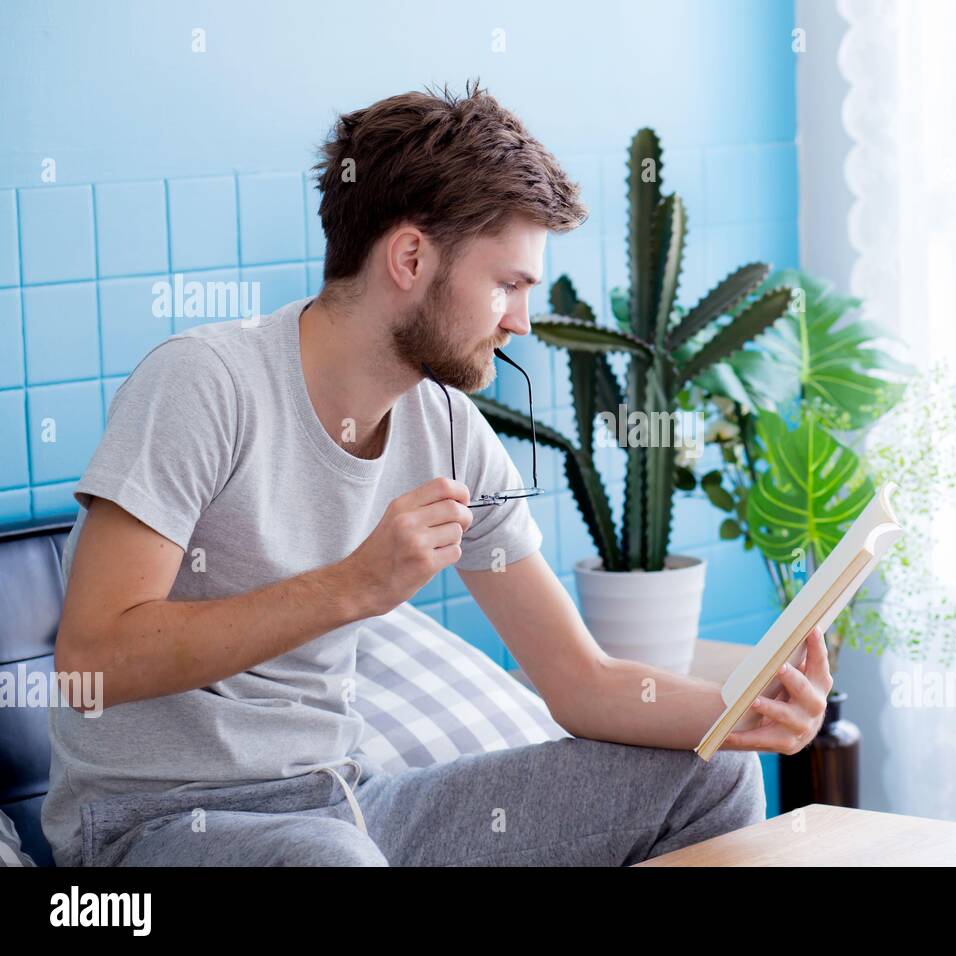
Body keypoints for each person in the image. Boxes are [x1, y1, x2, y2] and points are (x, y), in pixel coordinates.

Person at [42, 79, 831, 867]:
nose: (522, 321)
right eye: (507, 284)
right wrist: (354, 584)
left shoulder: (448, 426)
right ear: (412, 256)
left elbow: (580, 682)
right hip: (158, 828)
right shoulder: (204, 383)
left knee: (713, 774)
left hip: (353, 807)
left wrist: (743, 710)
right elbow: (92, 661)